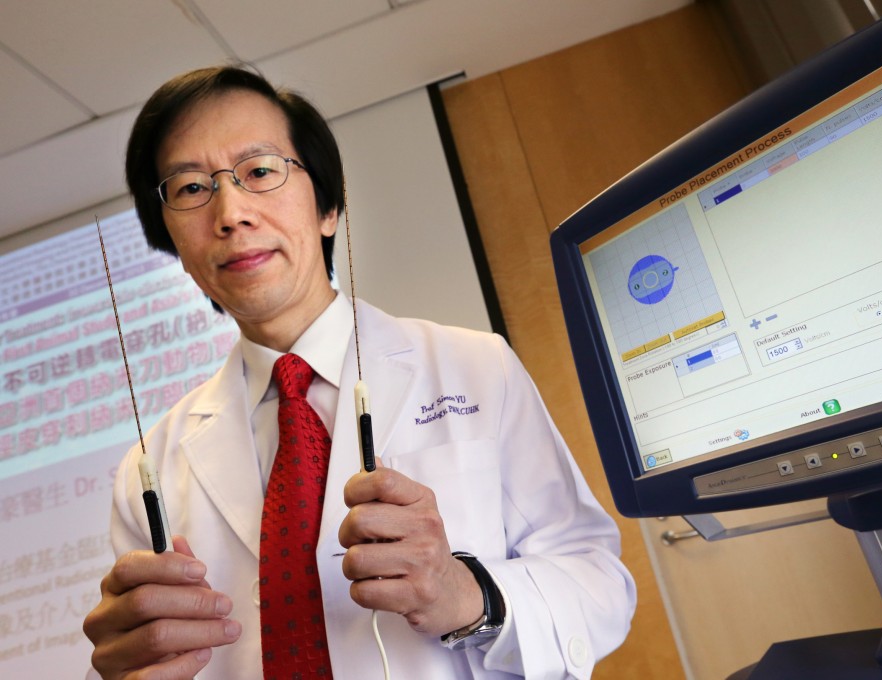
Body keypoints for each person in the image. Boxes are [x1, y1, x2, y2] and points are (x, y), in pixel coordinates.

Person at [82, 65, 636, 679]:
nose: (231, 213)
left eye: (260, 172)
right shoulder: (150, 467)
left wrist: (460, 592)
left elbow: (599, 583)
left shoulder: (476, 367)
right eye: (190, 189)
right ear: (175, 246)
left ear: (327, 207)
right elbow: (144, 653)